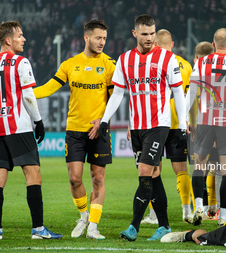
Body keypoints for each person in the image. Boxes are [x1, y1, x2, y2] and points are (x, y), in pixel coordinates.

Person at [98, 14, 186, 241]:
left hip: (159, 125)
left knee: (144, 173)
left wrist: (184, 125)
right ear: (135, 33)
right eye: (144, 34)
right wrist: (105, 119)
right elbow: (118, 93)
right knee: (154, 176)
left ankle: (133, 227)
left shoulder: (168, 58)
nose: (149, 38)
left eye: (152, 33)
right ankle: (164, 226)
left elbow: (178, 92)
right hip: (137, 127)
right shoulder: (125, 59)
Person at [33, 20, 116, 240]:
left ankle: (93, 227)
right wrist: (27, 94)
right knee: (75, 179)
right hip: (75, 130)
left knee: (98, 178)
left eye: (105, 38)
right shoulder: (70, 64)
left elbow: (114, 97)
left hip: (98, 129)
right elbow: (50, 86)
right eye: (98, 38)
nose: (102, 42)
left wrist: (103, 120)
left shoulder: (109, 65)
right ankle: (83, 216)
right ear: (86, 38)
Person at [0, 20, 62, 239]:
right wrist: (38, 121)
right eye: (20, 35)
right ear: (8, 40)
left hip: (0, 128)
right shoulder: (20, 62)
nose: (24, 39)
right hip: (19, 127)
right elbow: (28, 95)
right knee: (33, 174)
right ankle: (38, 228)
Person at [139, 29, 193, 225]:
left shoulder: (149, 62)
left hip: (155, 123)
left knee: (154, 168)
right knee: (181, 169)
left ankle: (154, 215)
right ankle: (187, 210)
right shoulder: (186, 65)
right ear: (172, 44)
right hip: (178, 123)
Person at [186, 28, 226, 226]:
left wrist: (189, 119)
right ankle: (224, 215)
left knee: (199, 166)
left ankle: (199, 205)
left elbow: (191, 94)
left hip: (205, 120)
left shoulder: (200, 62)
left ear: (213, 43)